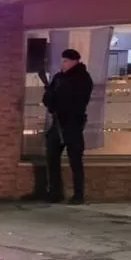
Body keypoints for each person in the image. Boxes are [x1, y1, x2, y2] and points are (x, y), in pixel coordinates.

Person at [43, 48, 94, 204]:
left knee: (75, 160)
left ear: (74, 61)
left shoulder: (83, 78)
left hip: (72, 123)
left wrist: (58, 99)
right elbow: (48, 98)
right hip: (57, 121)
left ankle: (78, 194)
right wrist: (51, 99)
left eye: (66, 61)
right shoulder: (58, 77)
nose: (63, 64)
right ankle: (55, 192)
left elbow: (77, 100)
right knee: (52, 157)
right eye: (62, 60)